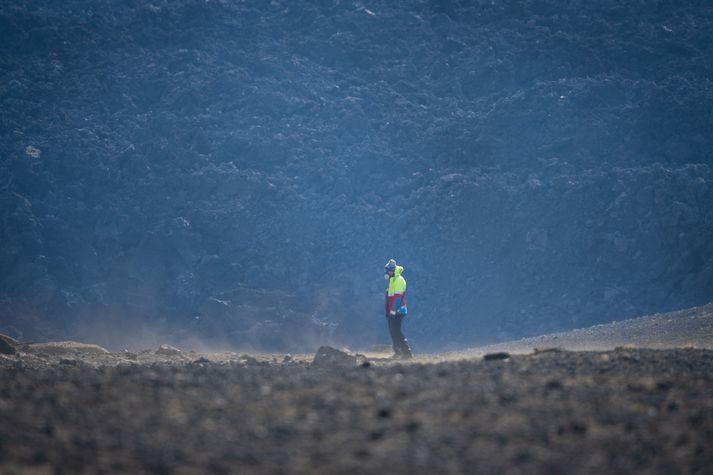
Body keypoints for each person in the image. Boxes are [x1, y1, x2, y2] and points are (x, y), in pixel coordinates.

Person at [384, 259, 413, 359]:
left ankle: (407, 354)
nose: (386, 273)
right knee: (393, 332)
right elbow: (390, 296)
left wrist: (393, 310)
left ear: (392, 270)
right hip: (393, 311)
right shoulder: (392, 280)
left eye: (388, 270)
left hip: (398, 311)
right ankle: (398, 353)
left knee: (397, 332)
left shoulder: (399, 280)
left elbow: (398, 297)